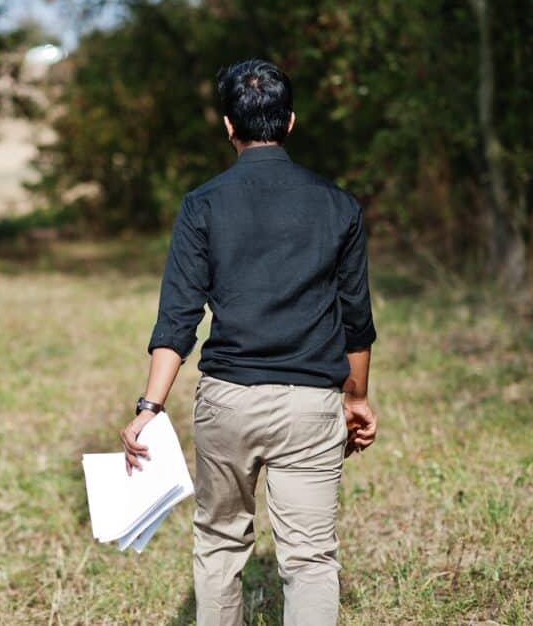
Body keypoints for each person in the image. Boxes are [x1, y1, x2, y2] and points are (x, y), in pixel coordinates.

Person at [120, 59, 378, 626]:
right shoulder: (338, 205)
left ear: (228, 127)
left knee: (218, 545)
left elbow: (177, 319)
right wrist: (355, 399)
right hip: (312, 404)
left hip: (229, 402)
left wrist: (149, 408)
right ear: (290, 122)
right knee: (310, 558)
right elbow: (355, 317)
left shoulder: (202, 205)